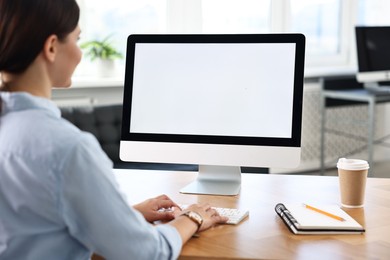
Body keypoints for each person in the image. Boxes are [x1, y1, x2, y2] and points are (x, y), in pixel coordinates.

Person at [0, 0, 227, 259]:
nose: (79, 52)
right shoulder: (67, 148)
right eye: (77, 39)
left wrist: (123, 215)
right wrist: (192, 217)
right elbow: (148, 253)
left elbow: (34, 225)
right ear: (52, 47)